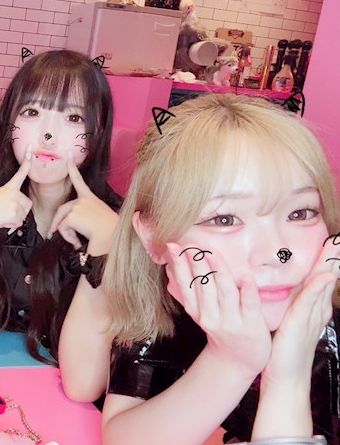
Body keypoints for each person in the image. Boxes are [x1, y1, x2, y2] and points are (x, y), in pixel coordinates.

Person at [101, 93, 340, 445]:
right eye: (224, 219)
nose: (275, 254)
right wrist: (231, 361)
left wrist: (288, 380)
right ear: (152, 237)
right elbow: (122, 436)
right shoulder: (170, 307)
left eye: (300, 213)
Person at [0, 50, 121, 396]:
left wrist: (106, 243)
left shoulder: (115, 222)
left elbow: (85, 386)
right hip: (2, 385)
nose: (48, 134)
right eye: (32, 112)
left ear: (97, 132)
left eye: (73, 117)